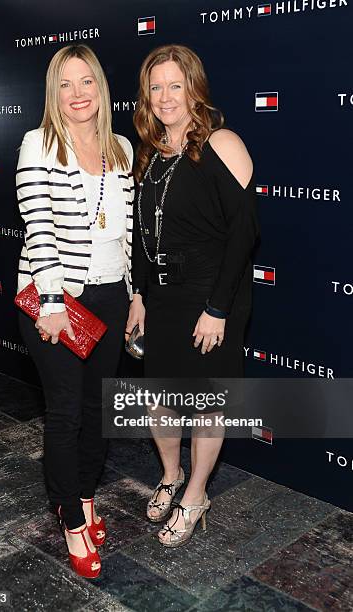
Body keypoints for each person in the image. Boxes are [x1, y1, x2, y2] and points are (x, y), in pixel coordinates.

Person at [126, 44, 259, 547]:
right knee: (159, 398)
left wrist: (217, 308)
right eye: (155, 87)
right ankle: (170, 474)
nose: (165, 97)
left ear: (194, 88)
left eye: (174, 85)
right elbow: (143, 234)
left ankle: (197, 493)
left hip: (210, 296)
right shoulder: (151, 154)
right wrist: (139, 294)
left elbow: (243, 235)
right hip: (160, 297)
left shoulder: (221, 143)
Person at [16, 44, 134, 578]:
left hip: (111, 295)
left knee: (98, 411)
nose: (77, 94)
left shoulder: (122, 149)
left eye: (86, 81)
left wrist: (137, 296)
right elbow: (38, 231)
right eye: (65, 84)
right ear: (52, 92)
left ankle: (86, 497)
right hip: (56, 299)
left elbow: (130, 234)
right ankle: (70, 520)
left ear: (101, 88)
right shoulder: (37, 144)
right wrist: (54, 303)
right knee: (65, 412)